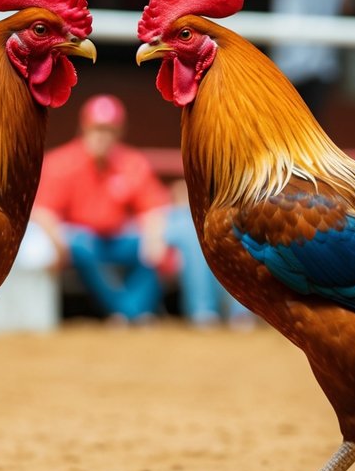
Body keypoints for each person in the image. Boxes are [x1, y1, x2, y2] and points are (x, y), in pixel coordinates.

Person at [32, 94, 171, 325]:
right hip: (81, 243)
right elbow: (43, 211)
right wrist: (57, 242)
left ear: (118, 133)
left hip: (117, 239)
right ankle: (130, 312)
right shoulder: (62, 162)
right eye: (97, 129)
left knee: (159, 245)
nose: (102, 136)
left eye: (109, 130)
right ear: (84, 128)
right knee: (80, 242)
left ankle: (125, 314)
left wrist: (155, 237)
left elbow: (154, 208)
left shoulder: (131, 162)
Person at [163, 180, 253, 329]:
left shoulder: (225, 214)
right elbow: (154, 251)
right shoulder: (176, 218)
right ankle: (208, 312)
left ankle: (212, 312)